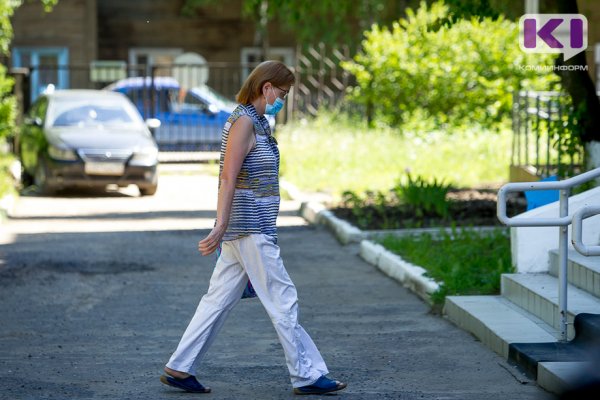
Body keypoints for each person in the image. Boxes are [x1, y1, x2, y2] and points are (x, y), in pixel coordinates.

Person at [160, 60, 347, 396]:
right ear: (267, 88)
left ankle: (180, 366)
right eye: (283, 92)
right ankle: (306, 375)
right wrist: (220, 225)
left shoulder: (259, 122)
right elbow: (228, 176)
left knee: (217, 300)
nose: (284, 99)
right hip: (249, 229)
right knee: (282, 298)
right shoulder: (244, 122)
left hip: (249, 229)